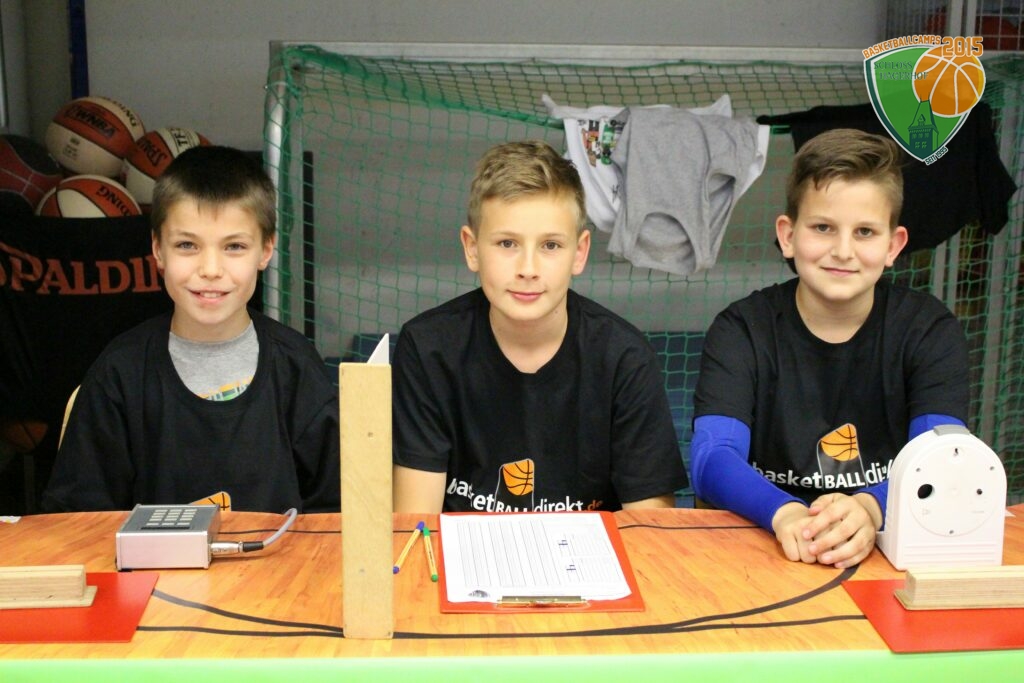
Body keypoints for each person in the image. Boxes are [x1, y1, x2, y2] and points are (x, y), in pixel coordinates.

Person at [691, 129, 969, 568]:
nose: (842, 251)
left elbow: (941, 458)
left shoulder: (929, 331)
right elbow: (711, 459)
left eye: (865, 232)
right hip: (766, 541)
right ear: (788, 235)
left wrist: (870, 508)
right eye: (823, 228)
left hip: (884, 547)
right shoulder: (741, 329)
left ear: (893, 245)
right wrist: (785, 513)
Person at [392, 140, 688, 513]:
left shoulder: (624, 358)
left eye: (550, 245)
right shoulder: (428, 350)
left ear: (579, 252)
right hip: (464, 551)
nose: (528, 269)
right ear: (472, 248)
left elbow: (649, 532)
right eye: (507, 243)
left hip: (591, 552)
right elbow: (417, 526)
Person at [42, 146, 339, 513]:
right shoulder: (121, 372)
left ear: (265, 251)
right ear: (158, 250)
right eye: (187, 245)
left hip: (280, 555)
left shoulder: (297, 367)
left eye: (234, 246)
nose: (210, 269)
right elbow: (77, 520)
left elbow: (336, 515)